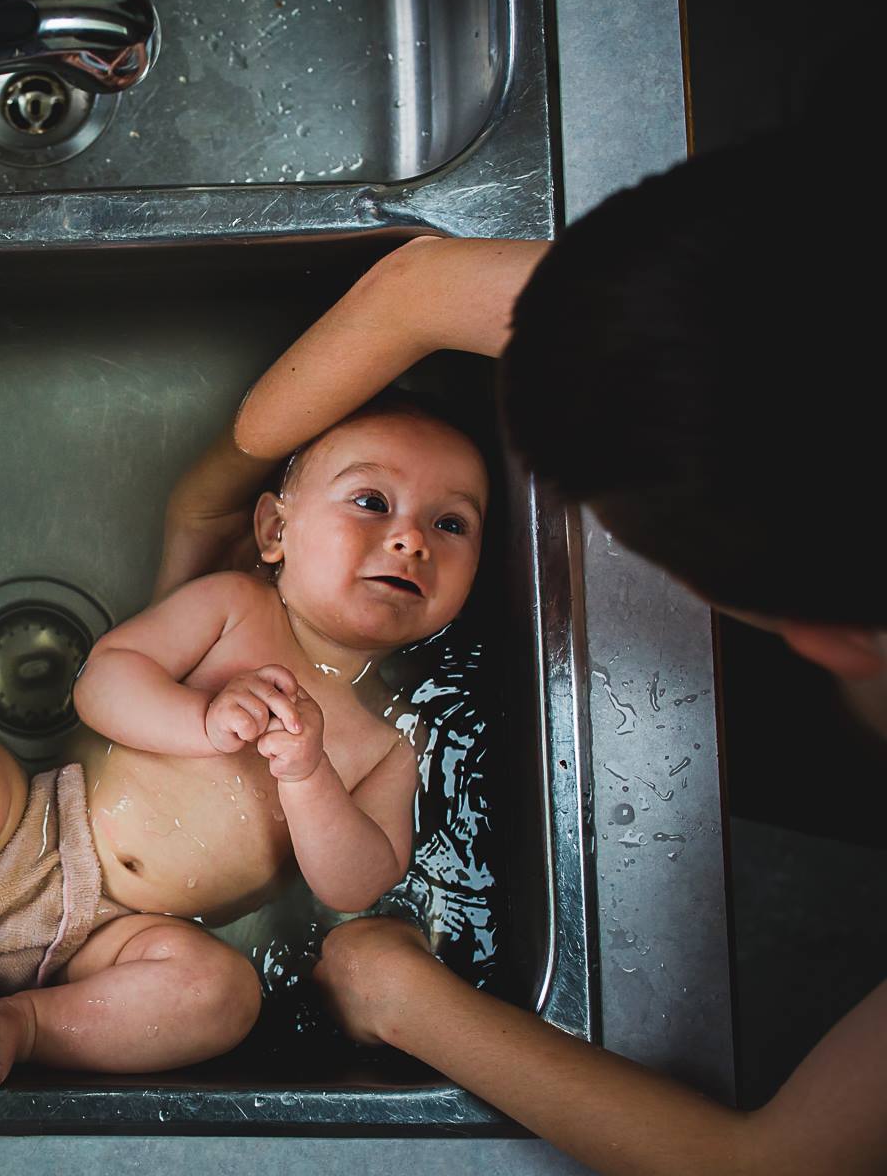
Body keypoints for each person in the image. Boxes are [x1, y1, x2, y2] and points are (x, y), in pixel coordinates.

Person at [160, 136, 887, 1174]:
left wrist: (403, 1000)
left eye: (458, 524)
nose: (411, 539)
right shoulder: (804, 305)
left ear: (823, 640)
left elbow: (777, 1167)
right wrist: (211, 492)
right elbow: (415, 287)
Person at [0, 398, 490, 1092]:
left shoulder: (393, 741)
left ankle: (31, 1024)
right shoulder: (233, 607)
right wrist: (202, 721)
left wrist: (311, 778)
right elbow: (101, 684)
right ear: (275, 531)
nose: (412, 541)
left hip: (129, 941)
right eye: (372, 501)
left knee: (224, 997)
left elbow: (359, 881)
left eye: (451, 523)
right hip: (27, 830)